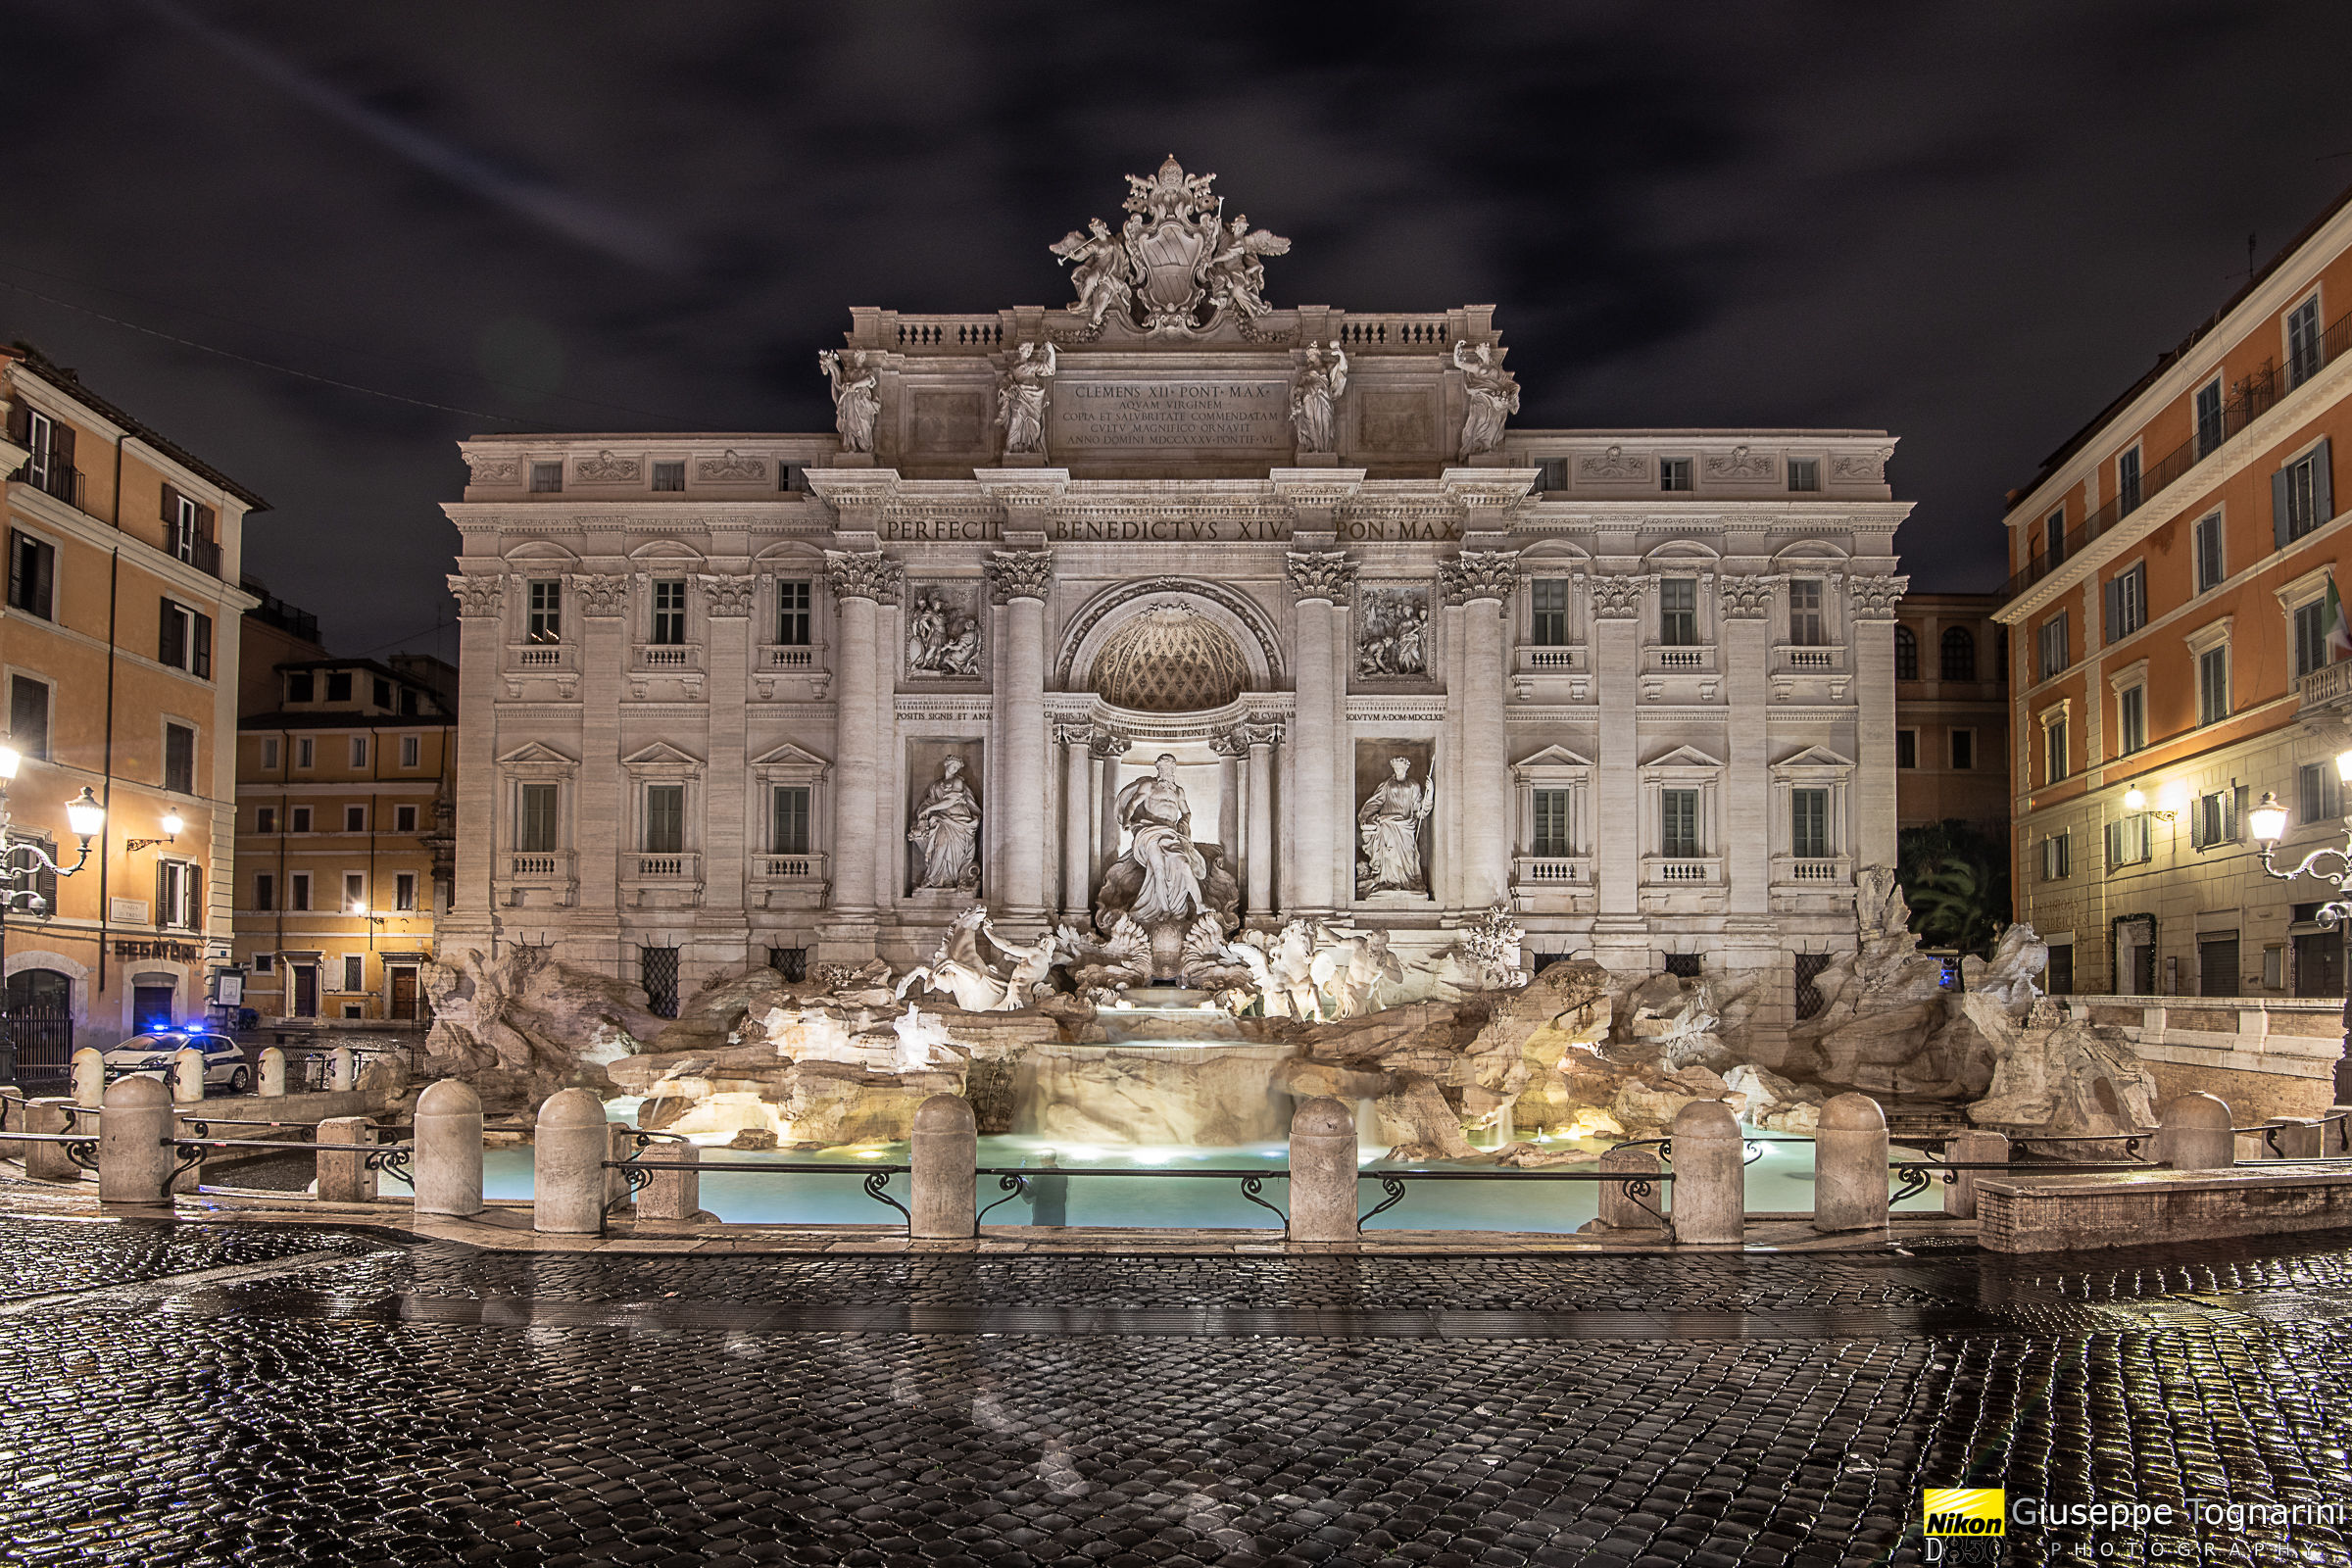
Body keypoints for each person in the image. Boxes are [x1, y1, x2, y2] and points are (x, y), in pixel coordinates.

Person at [1113, 755, 1208, 925]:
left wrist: (1184, 822)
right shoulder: (1149, 785)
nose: (1167, 771)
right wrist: (1127, 820)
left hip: (1170, 834)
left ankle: (1200, 904)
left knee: (1185, 865)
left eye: (1170, 768)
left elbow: (1186, 812)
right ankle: (1164, 909)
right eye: (1163, 768)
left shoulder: (1178, 791)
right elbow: (1133, 804)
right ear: (1158, 769)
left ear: (1174, 770)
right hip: (1149, 831)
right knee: (1158, 870)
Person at [1357, 756, 1435, 895]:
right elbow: (1375, 802)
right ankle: (1389, 881)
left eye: (1401, 768)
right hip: (1387, 823)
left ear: (1406, 768)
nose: (1398, 770)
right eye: (1396, 768)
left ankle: (1407, 881)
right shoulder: (1387, 785)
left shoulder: (1413, 786)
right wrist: (1365, 817)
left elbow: (1420, 809)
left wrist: (1430, 793)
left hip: (1406, 826)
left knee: (1408, 855)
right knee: (1389, 852)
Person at [907, 758, 981, 889]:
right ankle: (934, 877)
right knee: (940, 846)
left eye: (958, 768)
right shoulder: (936, 785)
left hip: (959, 819)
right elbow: (929, 802)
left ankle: (950, 879)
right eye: (954, 766)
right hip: (942, 819)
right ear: (947, 765)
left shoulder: (957, 781)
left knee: (955, 850)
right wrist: (922, 812)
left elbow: (951, 801)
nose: (955, 769)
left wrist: (929, 809)